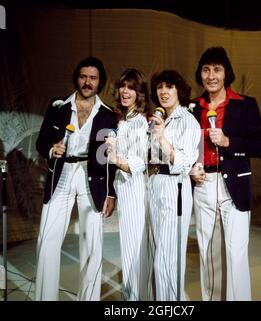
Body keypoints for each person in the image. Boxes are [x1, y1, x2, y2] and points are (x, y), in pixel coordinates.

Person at [35, 56, 117, 301]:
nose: (87, 82)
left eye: (93, 78)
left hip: (91, 178)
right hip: (61, 173)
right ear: (76, 78)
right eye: (83, 76)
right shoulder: (58, 107)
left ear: (99, 81)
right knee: (47, 239)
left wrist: (110, 191)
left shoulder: (107, 114)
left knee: (92, 243)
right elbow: (41, 142)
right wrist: (51, 150)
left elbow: (107, 158)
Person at [190, 46, 261, 301]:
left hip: (234, 185)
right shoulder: (192, 107)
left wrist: (227, 141)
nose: (211, 76)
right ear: (200, 74)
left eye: (217, 70)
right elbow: (185, 147)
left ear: (226, 74)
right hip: (203, 185)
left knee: (236, 254)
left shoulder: (245, 105)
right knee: (208, 255)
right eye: (206, 70)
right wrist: (192, 166)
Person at [147, 70, 201, 300]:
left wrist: (161, 138)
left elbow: (184, 162)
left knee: (167, 260)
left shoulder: (188, 120)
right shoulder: (159, 119)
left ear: (179, 90)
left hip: (174, 187)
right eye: (159, 87)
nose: (163, 92)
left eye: (169, 87)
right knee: (157, 254)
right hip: (154, 185)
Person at [105, 68, 152, 300]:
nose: (125, 91)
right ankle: (133, 297)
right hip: (124, 189)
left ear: (139, 93)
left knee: (135, 249)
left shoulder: (140, 122)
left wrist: (115, 159)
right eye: (123, 86)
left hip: (135, 190)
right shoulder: (124, 120)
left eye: (131, 87)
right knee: (129, 247)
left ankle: (136, 299)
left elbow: (139, 162)